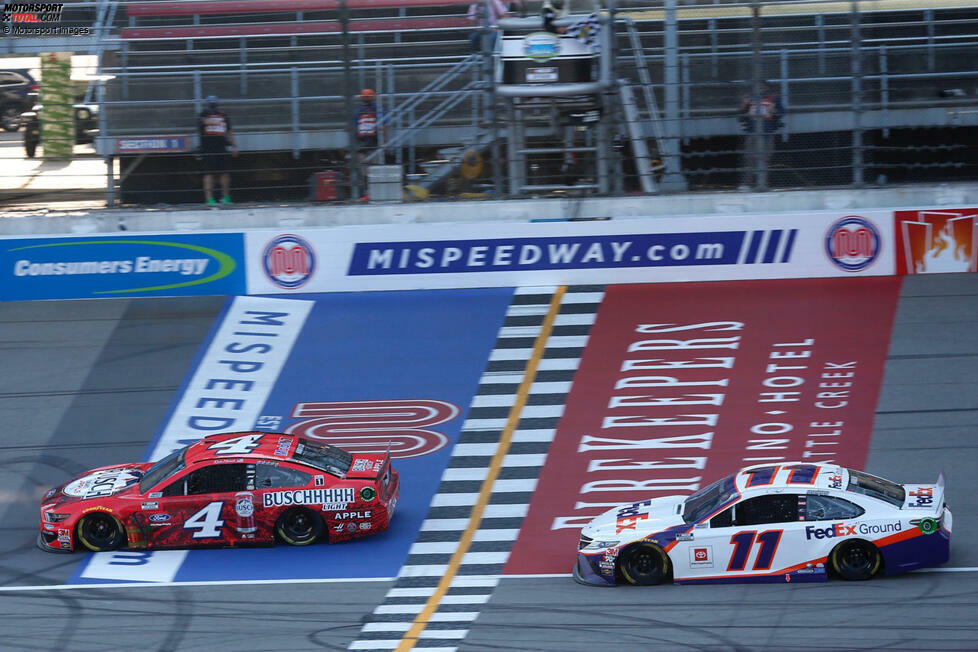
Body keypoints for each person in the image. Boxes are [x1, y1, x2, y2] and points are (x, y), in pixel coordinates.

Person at [738, 81, 784, 190]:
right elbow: (740, 115)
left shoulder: (773, 98)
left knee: (765, 158)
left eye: (761, 86)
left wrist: (774, 111)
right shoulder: (749, 97)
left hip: (767, 132)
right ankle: (747, 183)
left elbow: (781, 113)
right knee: (750, 158)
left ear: (766, 87)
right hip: (752, 131)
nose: (758, 88)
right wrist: (744, 106)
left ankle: (763, 183)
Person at [198, 94, 237, 206]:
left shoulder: (224, 115)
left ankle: (226, 197)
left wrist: (234, 145)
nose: (213, 105)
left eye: (214, 103)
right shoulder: (203, 114)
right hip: (207, 148)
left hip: (221, 147)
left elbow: (230, 131)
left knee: (225, 173)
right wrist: (217, 120)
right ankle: (209, 199)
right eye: (211, 103)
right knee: (208, 173)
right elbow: (205, 122)